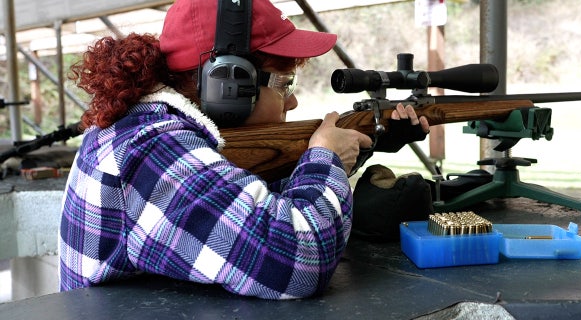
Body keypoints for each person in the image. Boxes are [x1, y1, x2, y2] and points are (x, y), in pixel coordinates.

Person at [58, 0, 429, 300]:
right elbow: (298, 260)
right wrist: (325, 158)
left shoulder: (146, 127)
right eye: (284, 82)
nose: (294, 100)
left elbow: (245, 200)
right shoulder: (155, 149)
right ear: (228, 82)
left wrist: (369, 142)